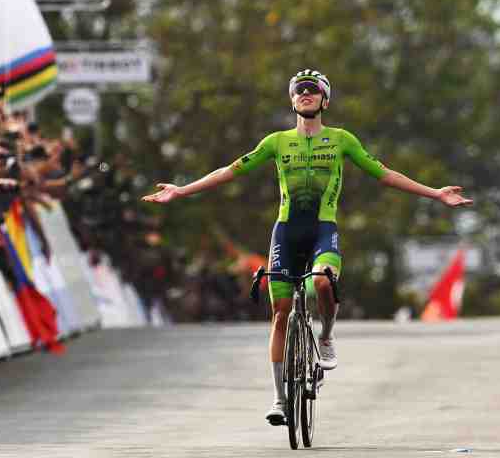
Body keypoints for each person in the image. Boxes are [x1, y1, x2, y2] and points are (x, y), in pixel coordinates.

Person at [142, 69, 473, 426]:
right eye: (299, 90)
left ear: (324, 100)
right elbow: (229, 171)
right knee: (281, 312)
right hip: (286, 232)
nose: (305, 94)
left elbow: (385, 173)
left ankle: (326, 336)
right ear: (291, 99)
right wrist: (182, 190)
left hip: (322, 230)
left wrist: (435, 193)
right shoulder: (276, 142)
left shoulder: (342, 140)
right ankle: (280, 400)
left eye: (312, 90)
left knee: (322, 282)